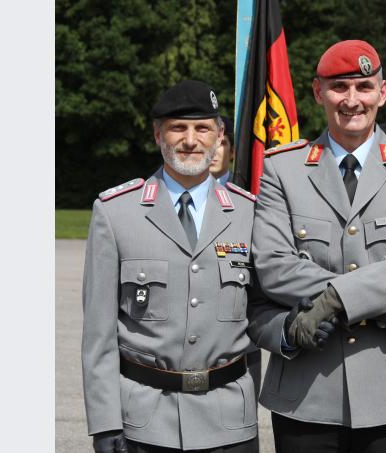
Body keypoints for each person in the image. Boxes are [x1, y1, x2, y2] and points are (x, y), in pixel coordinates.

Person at [247, 40, 386, 453]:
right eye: (340, 87)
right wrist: (384, 300)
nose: (352, 100)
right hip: (307, 393)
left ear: (383, 92)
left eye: (363, 86)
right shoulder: (282, 169)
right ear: (319, 92)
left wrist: (333, 300)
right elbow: (274, 265)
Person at [82, 80, 261, 453]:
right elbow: (99, 334)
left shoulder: (250, 213)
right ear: (157, 133)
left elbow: (260, 315)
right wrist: (104, 422)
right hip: (144, 424)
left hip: (229, 422)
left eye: (203, 128)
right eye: (178, 127)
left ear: (219, 135)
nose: (191, 140)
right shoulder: (116, 213)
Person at [208, 115, 263, 395]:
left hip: (241, 349)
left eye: (223, 143)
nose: (215, 150)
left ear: (233, 151)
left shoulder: (254, 205)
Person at [210, 115, 236, 186]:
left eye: (221, 143)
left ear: (232, 152)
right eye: (209, 143)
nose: (213, 151)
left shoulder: (244, 187)